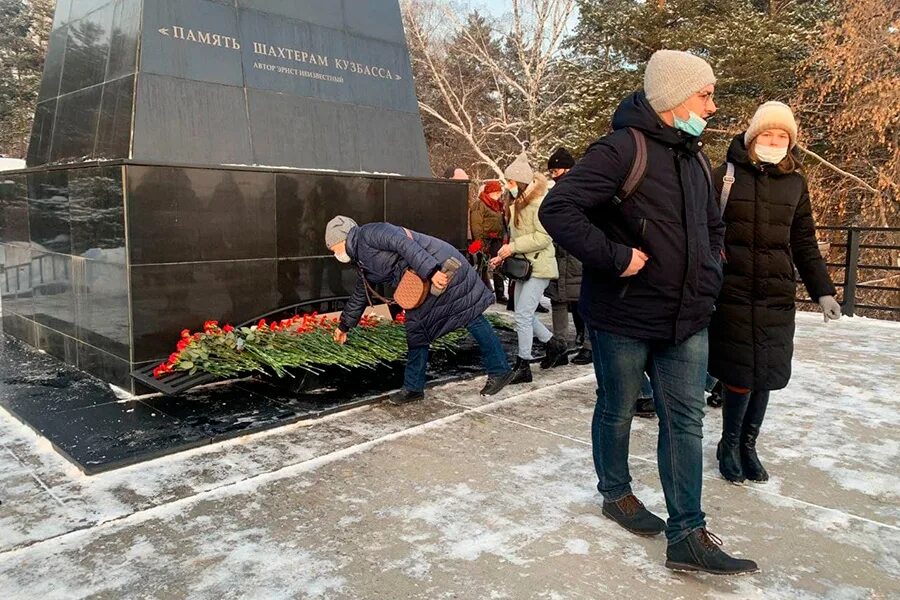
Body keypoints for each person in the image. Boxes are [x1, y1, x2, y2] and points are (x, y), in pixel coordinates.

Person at [540, 50, 758, 575]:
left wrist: (711, 271)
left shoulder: (695, 158)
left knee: (683, 419)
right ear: (670, 98)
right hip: (623, 315)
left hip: (686, 318)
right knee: (617, 407)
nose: (711, 104)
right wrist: (615, 257)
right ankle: (616, 493)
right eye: (704, 94)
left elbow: (713, 230)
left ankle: (687, 532)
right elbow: (558, 209)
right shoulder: (621, 150)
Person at [710, 102, 840, 484]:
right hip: (733, 293)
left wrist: (824, 292)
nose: (774, 141)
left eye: (781, 136)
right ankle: (729, 444)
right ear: (753, 137)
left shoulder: (796, 183)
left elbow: (803, 242)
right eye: (767, 134)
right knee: (739, 373)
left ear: (791, 141)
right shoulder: (725, 177)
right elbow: (705, 233)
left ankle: (749, 445)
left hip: (776, 295)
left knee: (765, 373)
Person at [325, 216, 515, 403]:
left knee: (470, 316)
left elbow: (405, 244)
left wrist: (432, 272)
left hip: (441, 268)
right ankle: (413, 387)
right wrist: (344, 326)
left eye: (334, 249)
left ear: (342, 239)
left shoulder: (370, 233)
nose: (335, 255)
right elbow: (361, 293)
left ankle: (500, 370)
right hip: (421, 280)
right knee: (417, 331)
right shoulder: (361, 260)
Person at [491, 152, 568, 384]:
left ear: (522, 182)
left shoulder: (538, 203)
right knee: (522, 314)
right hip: (525, 266)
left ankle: (523, 364)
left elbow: (544, 237)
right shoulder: (517, 204)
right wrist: (503, 254)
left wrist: (512, 247)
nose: (508, 185)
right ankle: (555, 345)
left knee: (523, 315)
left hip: (539, 265)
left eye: (511, 181)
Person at [546, 148, 592, 366]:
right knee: (558, 302)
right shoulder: (554, 193)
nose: (554, 175)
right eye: (551, 172)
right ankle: (560, 347)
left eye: (556, 170)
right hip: (558, 255)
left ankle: (589, 347)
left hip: (576, 255)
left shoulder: (583, 191)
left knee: (584, 302)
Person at [470, 179, 508, 303]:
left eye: (499, 193)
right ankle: (479, 293)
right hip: (484, 240)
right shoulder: (479, 204)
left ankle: (500, 294)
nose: (498, 195)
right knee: (482, 267)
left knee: (497, 266)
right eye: (496, 192)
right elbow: (476, 224)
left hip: (496, 240)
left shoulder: (498, 206)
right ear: (489, 192)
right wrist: (479, 242)